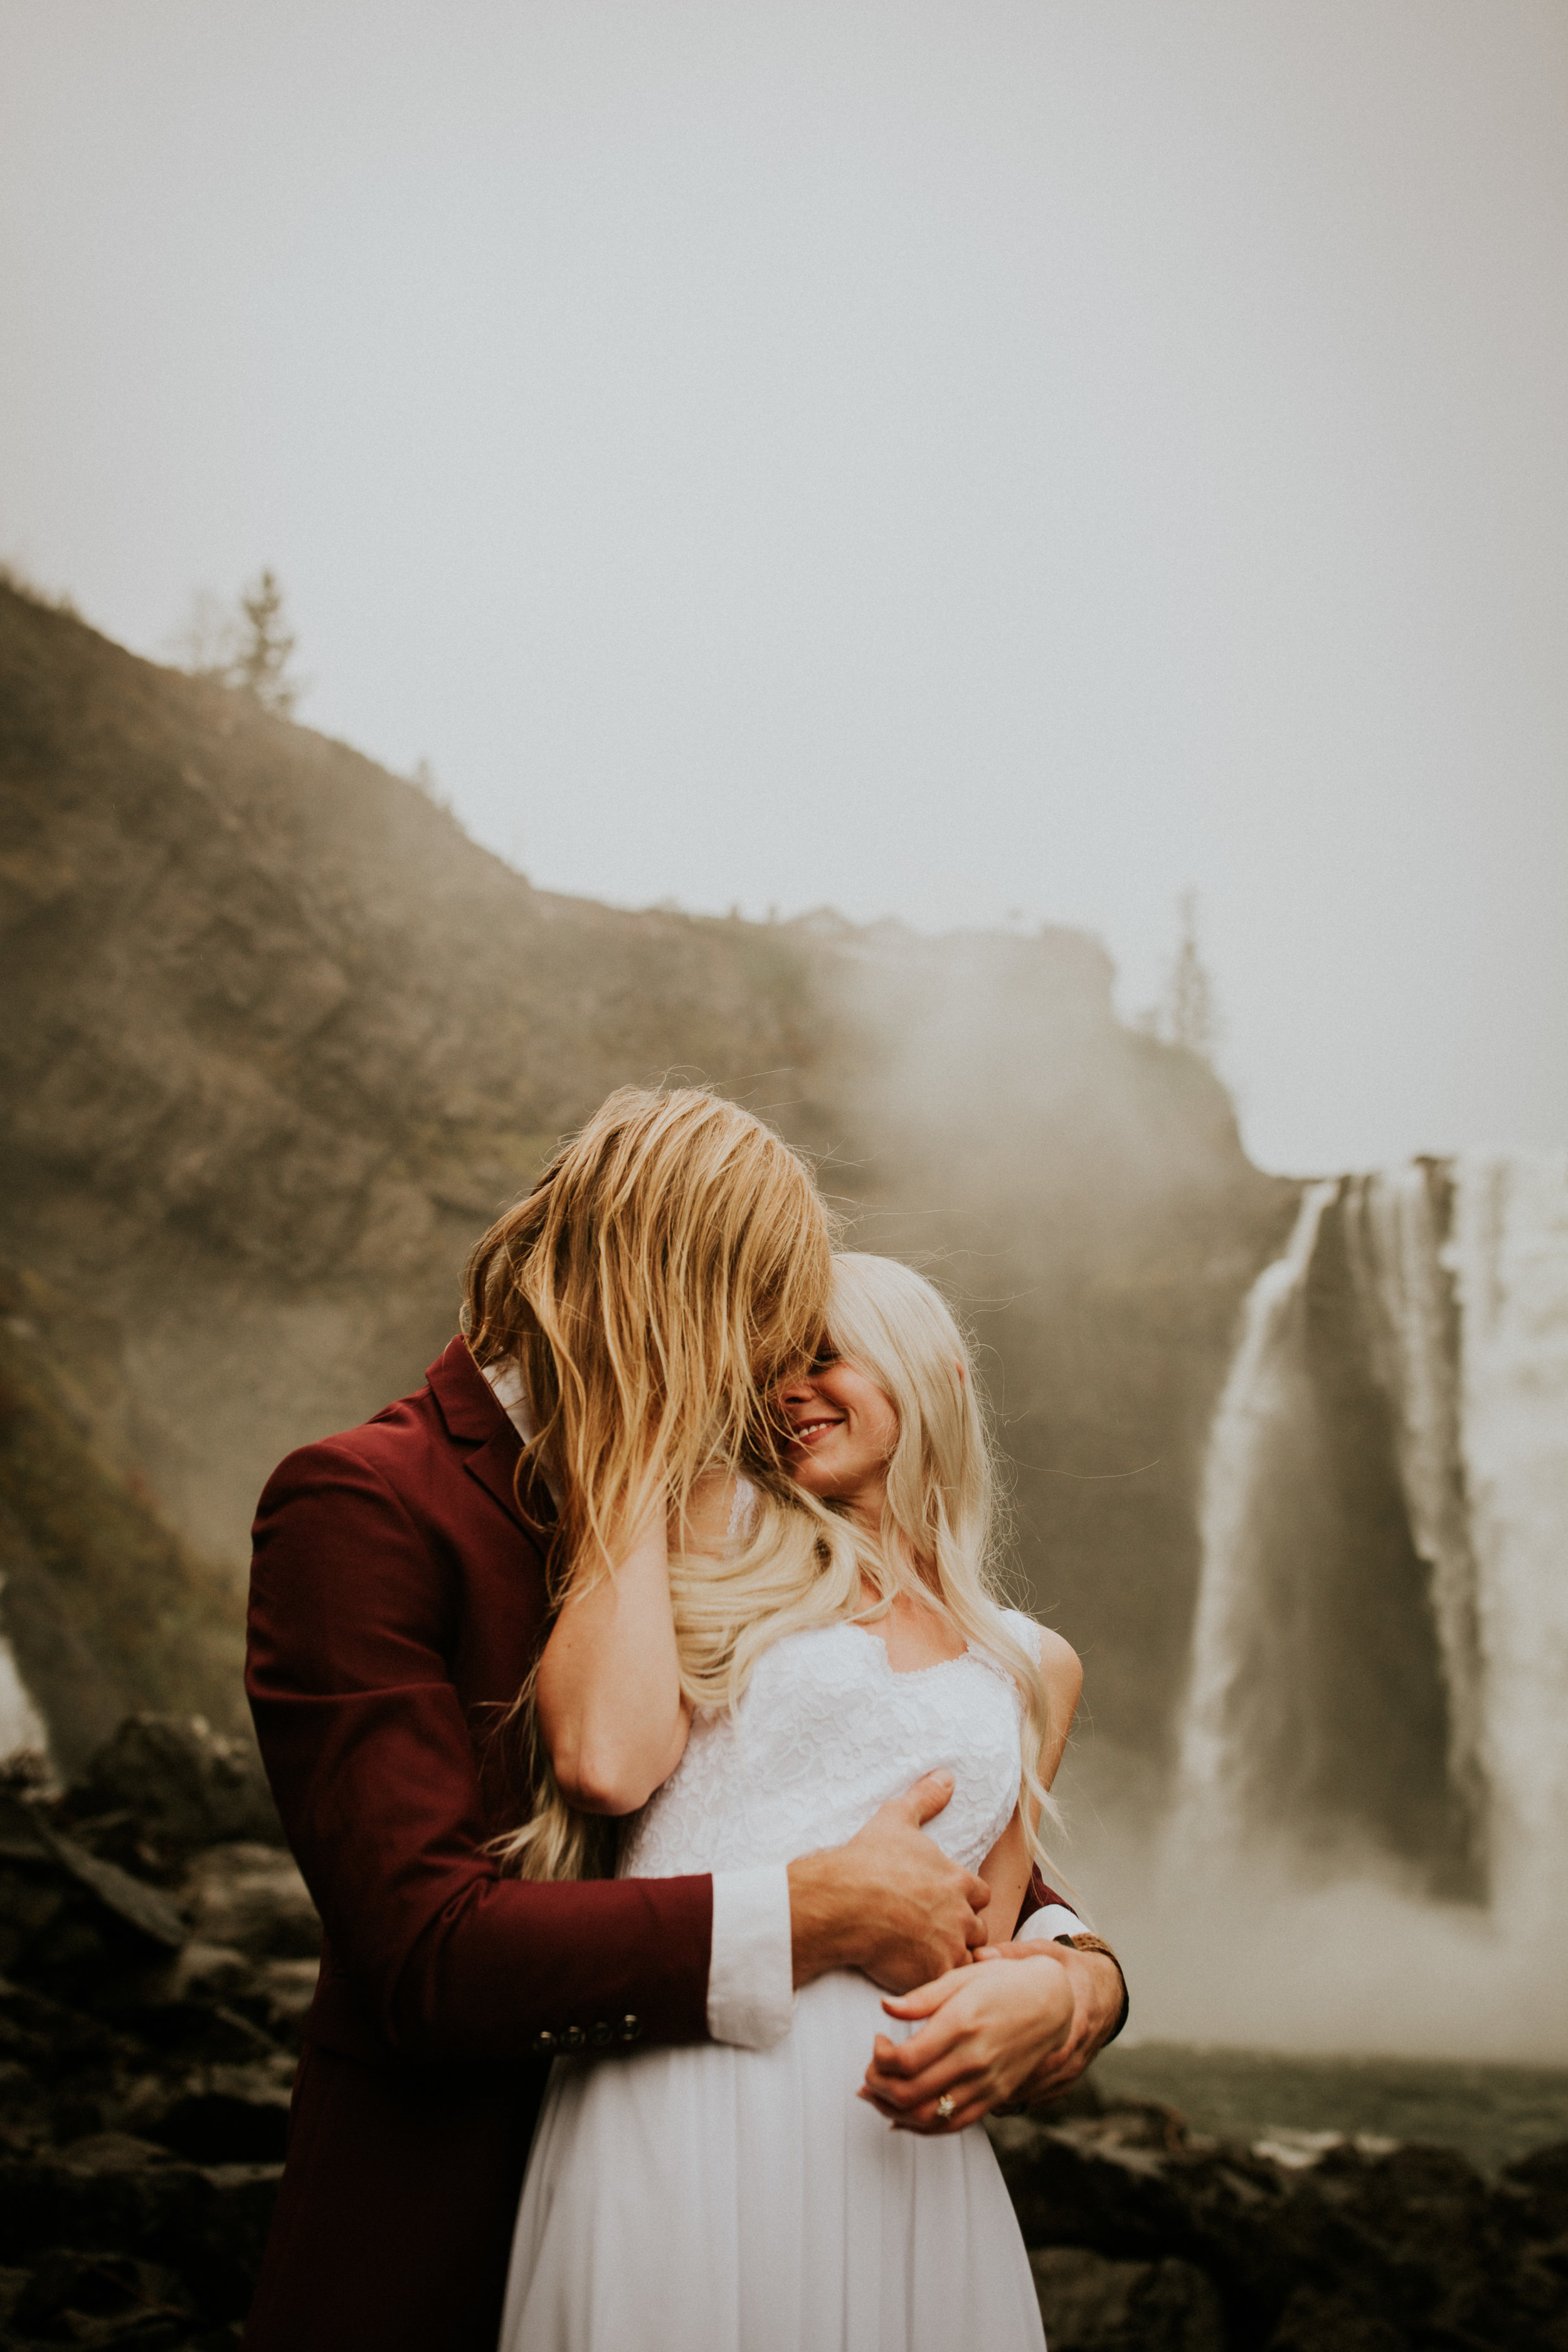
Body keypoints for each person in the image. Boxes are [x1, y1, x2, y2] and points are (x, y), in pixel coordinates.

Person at [241, 1089, 1124, 2352]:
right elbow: (423, 1953)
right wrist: (807, 1914)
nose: (774, 1376)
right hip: (466, 2224)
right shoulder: (369, 1502)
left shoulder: (758, 1516)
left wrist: (1078, 1987)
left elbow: (916, 1813)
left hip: (827, 2187)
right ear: (676, 1288)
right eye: (764, 1323)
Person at [499, 1251, 1113, 2352]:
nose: (790, 1387)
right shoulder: (704, 1527)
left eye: (825, 1355)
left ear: (937, 1374)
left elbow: (974, 1940)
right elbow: (600, 1760)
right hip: (685, 2092)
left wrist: (1062, 1989)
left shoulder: (1035, 1667)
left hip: (906, 2141)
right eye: (770, 1366)